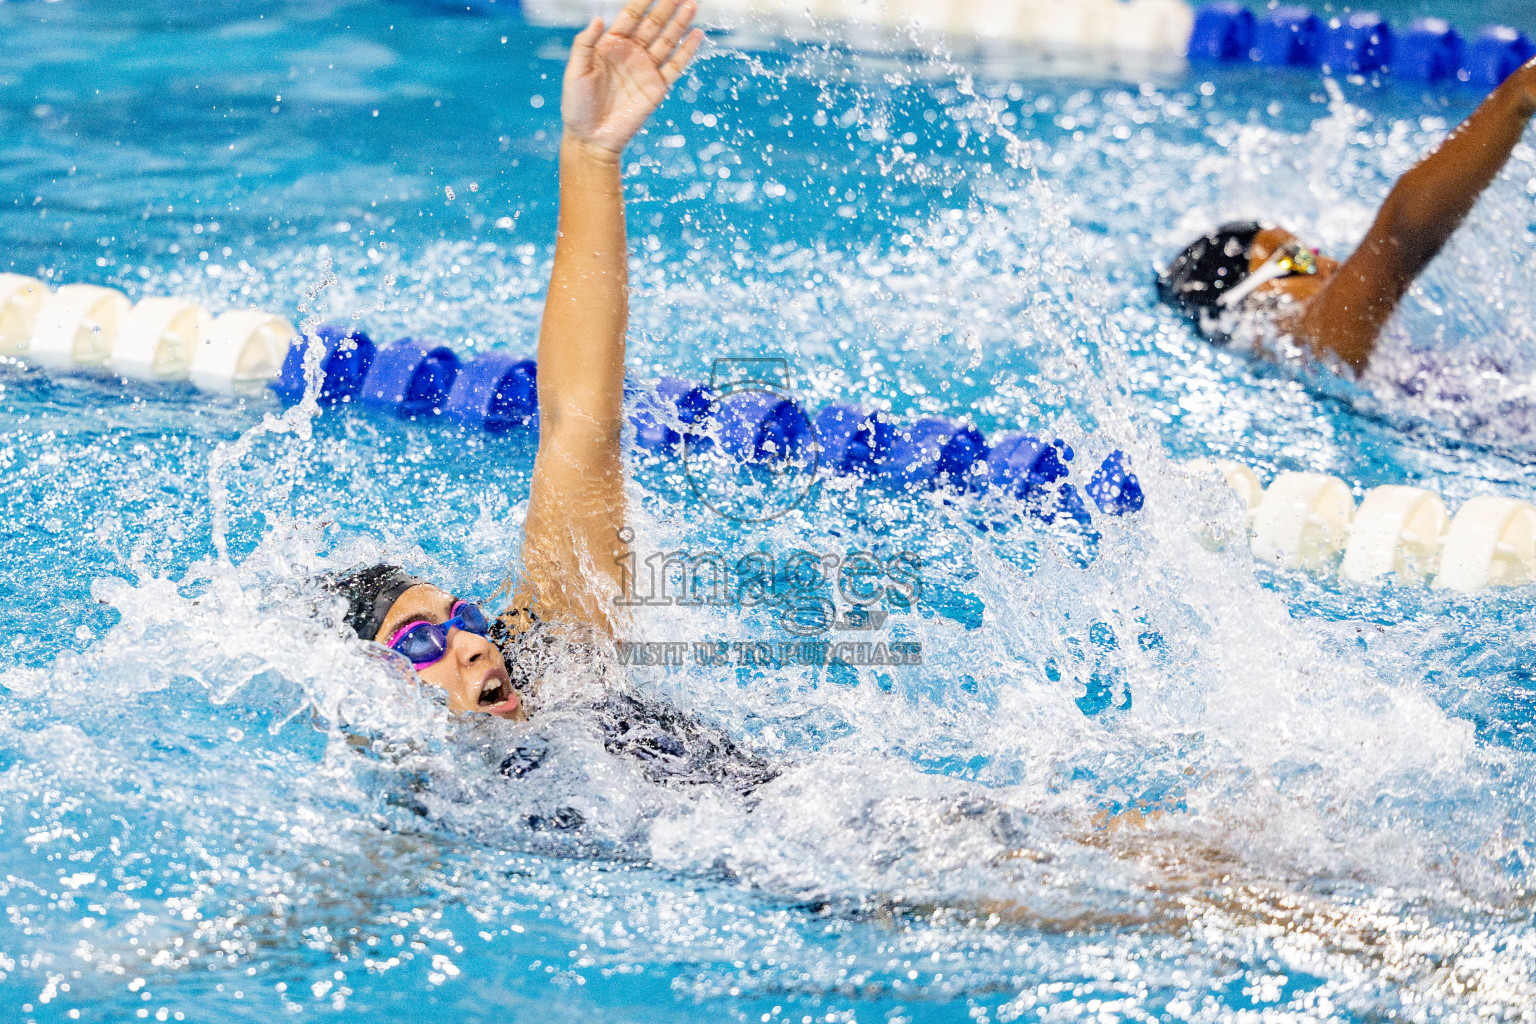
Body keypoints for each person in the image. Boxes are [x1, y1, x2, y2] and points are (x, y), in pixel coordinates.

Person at [319, 0, 787, 796]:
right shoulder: (440, 793)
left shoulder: (563, 672)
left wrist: (591, 154)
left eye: (458, 618)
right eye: (418, 642)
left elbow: (580, 421)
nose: (469, 645)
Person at [1158, 57, 1536, 375]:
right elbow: (1398, 240)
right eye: (1294, 259)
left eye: (1312, 251)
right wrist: (1517, 96)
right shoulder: (1299, 341)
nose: (1331, 265)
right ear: (1242, 305)